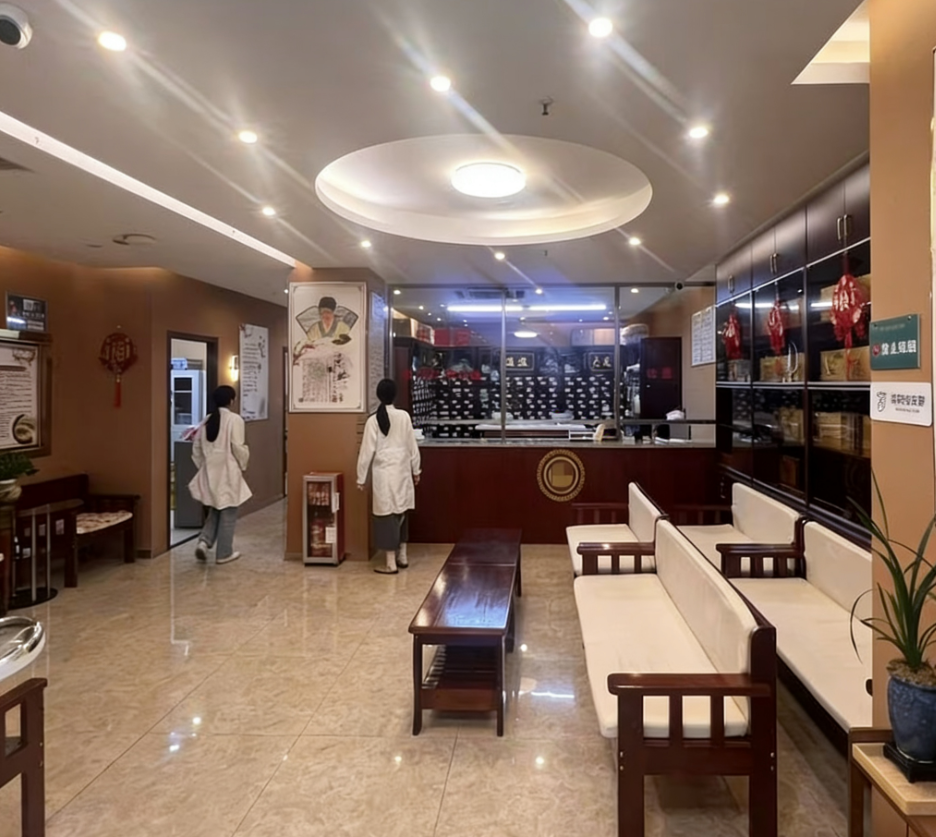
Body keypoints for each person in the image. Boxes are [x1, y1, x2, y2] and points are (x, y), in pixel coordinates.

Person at [356, 379, 421, 574]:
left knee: (386, 517)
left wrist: (361, 478)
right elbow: (412, 446)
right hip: (402, 472)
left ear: (378, 395)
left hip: (383, 474)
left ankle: (390, 563)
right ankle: (403, 556)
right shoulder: (404, 416)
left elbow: (366, 452)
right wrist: (416, 470)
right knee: (402, 512)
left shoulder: (373, 420)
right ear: (395, 395)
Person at [189, 385, 252, 565]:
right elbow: (237, 446)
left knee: (216, 508)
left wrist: (204, 467)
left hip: (210, 472)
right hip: (228, 471)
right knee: (229, 512)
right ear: (232, 400)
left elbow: (196, 449)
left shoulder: (207, 420)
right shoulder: (235, 419)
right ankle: (224, 553)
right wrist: (243, 464)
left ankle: (204, 542)